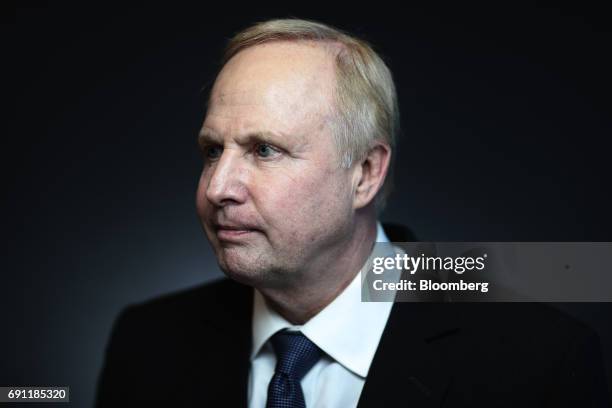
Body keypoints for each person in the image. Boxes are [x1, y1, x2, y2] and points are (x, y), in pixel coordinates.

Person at [96, 19, 609, 407]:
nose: (217, 187)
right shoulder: (147, 343)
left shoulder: (540, 360)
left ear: (364, 172)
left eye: (265, 150)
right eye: (213, 151)